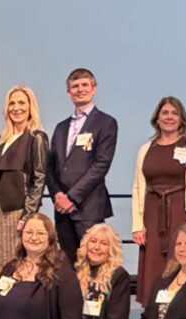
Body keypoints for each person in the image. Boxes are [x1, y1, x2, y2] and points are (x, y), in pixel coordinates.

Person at [131, 96, 186, 305]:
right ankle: (150, 317)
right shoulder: (146, 148)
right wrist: (137, 224)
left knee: (180, 260)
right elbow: (138, 186)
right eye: (165, 113)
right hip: (152, 215)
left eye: (174, 113)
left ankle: (177, 314)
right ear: (157, 118)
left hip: (180, 213)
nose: (169, 117)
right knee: (152, 267)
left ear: (182, 119)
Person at [46, 68, 117, 264]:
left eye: (84, 85)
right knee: (68, 263)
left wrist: (72, 197)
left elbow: (101, 164)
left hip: (89, 207)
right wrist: (58, 195)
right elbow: (50, 167)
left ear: (94, 89)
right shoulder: (61, 127)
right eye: (74, 86)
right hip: (62, 209)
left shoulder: (106, 123)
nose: (80, 89)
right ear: (69, 92)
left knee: (94, 262)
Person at [0, 85, 48, 291]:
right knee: (0, 261)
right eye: (12, 103)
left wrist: (28, 214)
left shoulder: (37, 137)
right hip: (0, 212)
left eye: (21, 103)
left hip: (20, 211)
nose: (16, 108)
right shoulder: (2, 140)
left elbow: (39, 177)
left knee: (17, 260)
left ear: (30, 107)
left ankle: (16, 306)